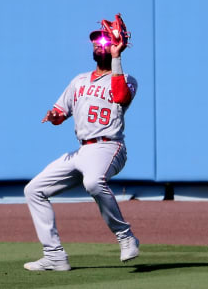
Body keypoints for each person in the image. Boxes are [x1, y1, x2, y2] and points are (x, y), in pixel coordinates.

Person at [23, 17, 139, 271]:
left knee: (93, 182)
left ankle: (125, 236)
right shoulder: (79, 80)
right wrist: (54, 116)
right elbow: (59, 112)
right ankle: (54, 255)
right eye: (97, 41)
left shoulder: (126, 79)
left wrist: (117, 57)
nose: (99, 44)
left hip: (109, 146)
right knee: (34, 190)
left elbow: (119, 97)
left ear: (118, 45)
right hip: (82, 150)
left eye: (105, 40)